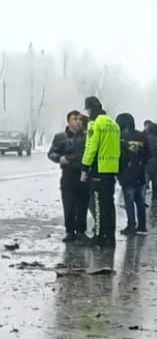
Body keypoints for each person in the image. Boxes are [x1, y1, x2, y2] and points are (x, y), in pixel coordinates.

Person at [81, 96, 121, 248]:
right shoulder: (113, 124)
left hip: (98, 169)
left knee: (98, 206)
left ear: (90, 109)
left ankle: (99, 237)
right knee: (109, 205)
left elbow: (91, 148)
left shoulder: (94, 123)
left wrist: (85, 167)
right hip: (111, 170)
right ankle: (110, 238)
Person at [48, 110, 89, 242]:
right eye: (75, 119)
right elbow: (51, 153)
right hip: (68, 175)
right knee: (69, 205)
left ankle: (81, 231)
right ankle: (70, 231)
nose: (78, 122)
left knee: (82, 205)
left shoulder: (87, 136)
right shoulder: (61, 137)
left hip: (83, 174)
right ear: (69, 121)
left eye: (80, 119)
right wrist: (59, 158)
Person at [116, 113, 151, 235]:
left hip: (127, 173)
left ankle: (131, 225)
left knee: (129, 201)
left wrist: (118, 171)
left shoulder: (120, 137)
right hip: (140, 172)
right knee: (139, 200)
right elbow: (148, 154)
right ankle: (142, 226)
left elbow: (119, 156)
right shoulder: (142, 136)